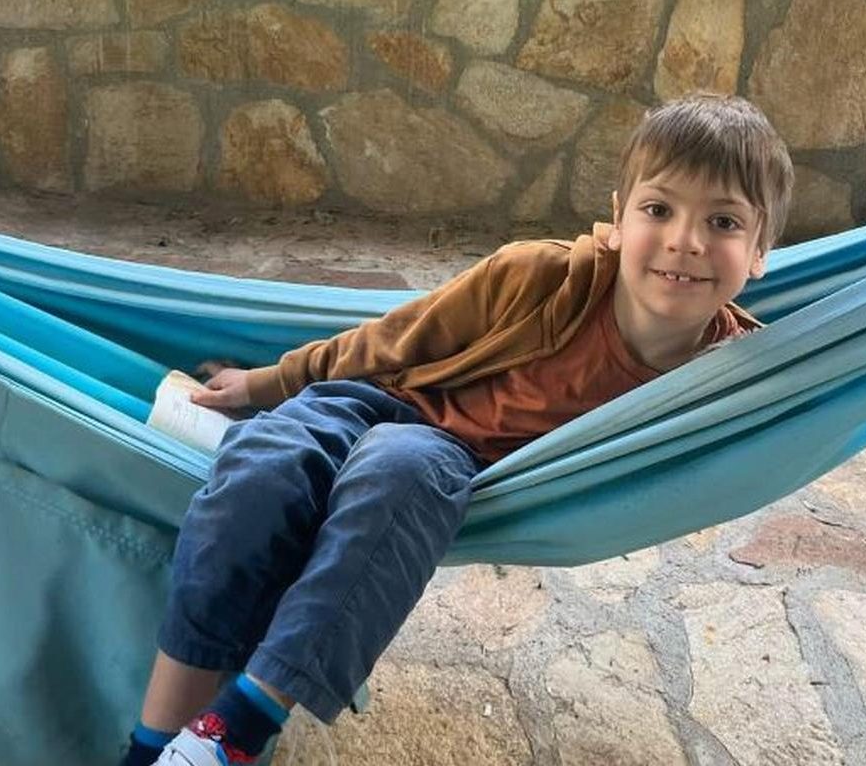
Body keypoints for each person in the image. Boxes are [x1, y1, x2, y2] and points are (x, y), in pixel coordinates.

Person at [122, 92, 794, 766]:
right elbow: (394, 339)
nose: (685, 240)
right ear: (618, 219)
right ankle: (154, 745)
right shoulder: (541, 276)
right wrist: (266, 384)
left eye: (724, 222)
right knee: (261, 467)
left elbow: (799, 406)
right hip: (376, 398)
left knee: (400, 469)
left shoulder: (733, 370)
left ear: (761, 250)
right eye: (659, 209)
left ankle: (235, 730)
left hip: (445, 457)